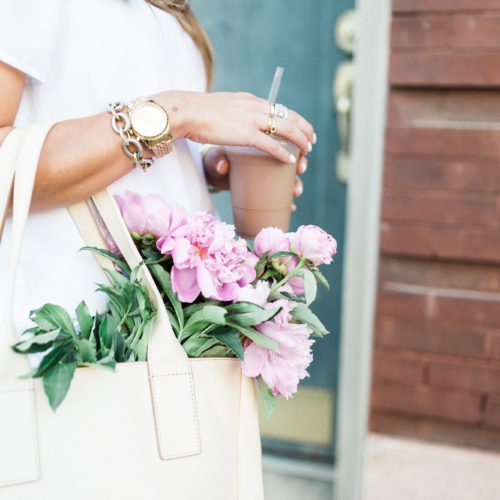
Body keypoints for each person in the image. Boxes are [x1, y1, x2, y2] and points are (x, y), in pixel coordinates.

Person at [0, 0, 315, 333]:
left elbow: (136, 139)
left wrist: (201, 165)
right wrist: (180, 113)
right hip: (64, 323)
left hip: (172, 329)